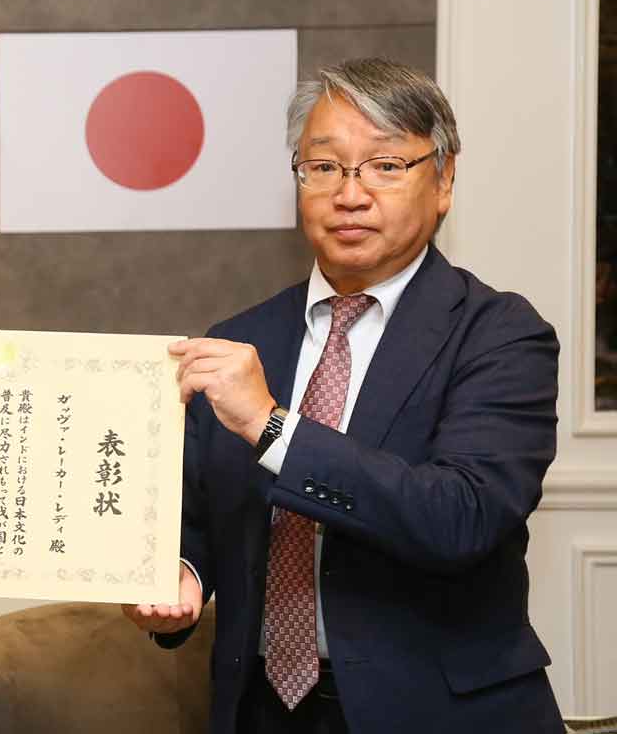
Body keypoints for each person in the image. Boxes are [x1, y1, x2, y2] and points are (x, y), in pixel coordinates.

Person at [123, 58, 564, 733]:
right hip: (262, 710)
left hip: (438, 713)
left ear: (443, 180)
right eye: (323, 167)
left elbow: (460, 517)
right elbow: (203, 517)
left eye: (386, 166)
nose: (349, 194)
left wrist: (274, 430)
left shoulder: (500, 335)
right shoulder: (241, 341)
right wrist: (177, 575)